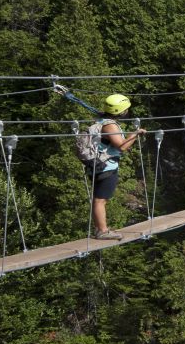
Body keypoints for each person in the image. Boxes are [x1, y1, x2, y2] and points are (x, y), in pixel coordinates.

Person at [56, 89, 146, 240]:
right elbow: (122, 146)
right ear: (120, 111)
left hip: (97, 166)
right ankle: (102, 231)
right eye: (126, 109)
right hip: (106, 167)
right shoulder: (110, 126)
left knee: (99, 199)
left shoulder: (101, 121)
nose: (127, 111)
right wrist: (135, 134)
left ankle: (101, 229)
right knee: (100, 200)